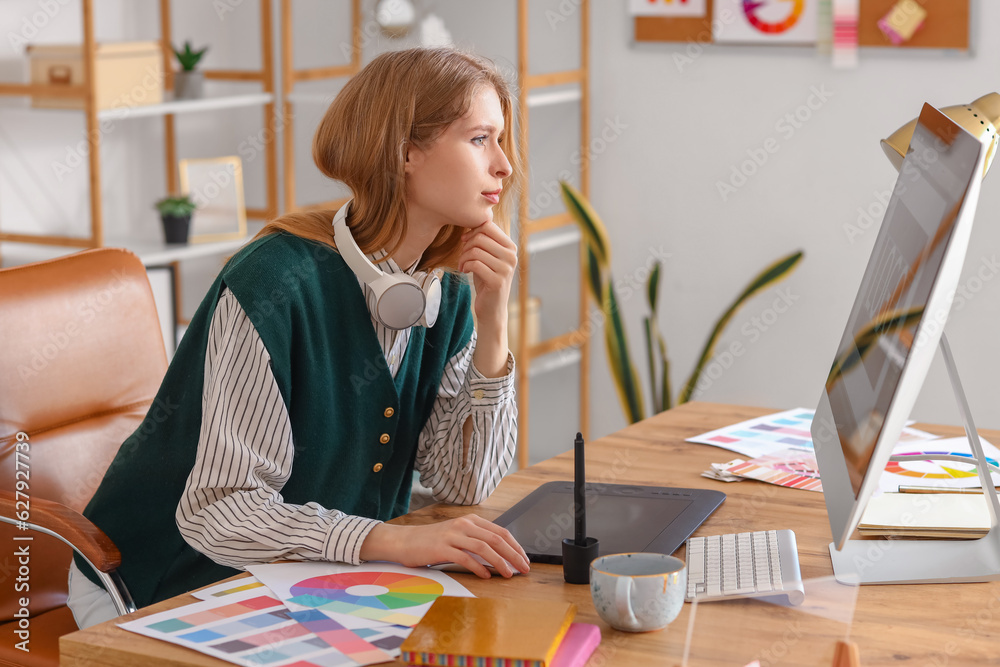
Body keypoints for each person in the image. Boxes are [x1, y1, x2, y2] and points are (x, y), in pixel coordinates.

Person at [67, 46, 530, 629]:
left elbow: (463, 483)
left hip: (306, 575)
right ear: (406, 151)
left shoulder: (451, 288)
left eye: (502, 141)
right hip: (165, 585)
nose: (504, 166)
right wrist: (392, 542)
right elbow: (222, 511)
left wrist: (494, 325)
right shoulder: (273, 284)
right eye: (480, 139)